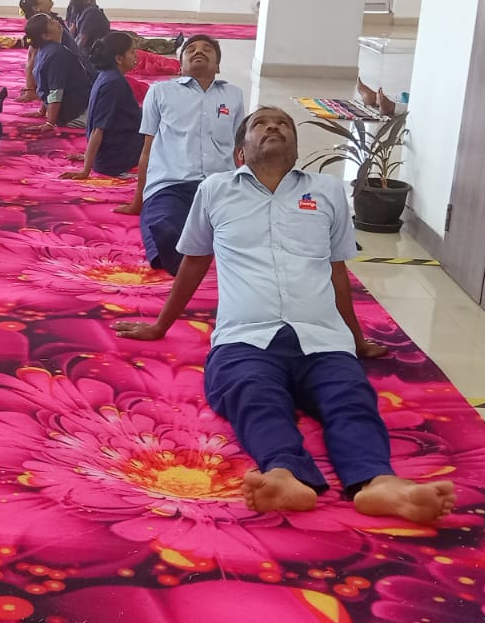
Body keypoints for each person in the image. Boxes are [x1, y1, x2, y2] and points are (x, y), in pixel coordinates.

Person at [111, 106, 457, 525]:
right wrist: (160, 325)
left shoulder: (327, 191)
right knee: (254, 396)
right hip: (245, 339)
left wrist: (356, 340)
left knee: (350, 398)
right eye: (260, 123)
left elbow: (336, 270)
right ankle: (284, 474)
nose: (273, 127)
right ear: (240, 152)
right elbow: (195, 261)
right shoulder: (215, 190)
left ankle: (379, 483)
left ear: (295, 150)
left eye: (283, 124)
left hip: (321, 337)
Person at [121, 35, 242, 264]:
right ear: (180, 65)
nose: (199, 51)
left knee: (242, 230)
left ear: (217, 66)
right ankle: (178, 254)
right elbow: (147, 149)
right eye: (191, 49)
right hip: (171, 184)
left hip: (219, 186)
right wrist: (139, 200)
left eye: (207, 49)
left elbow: (238, 150)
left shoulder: (234, 95)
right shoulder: (160, 92)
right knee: (162, 223)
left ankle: (197, 247)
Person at [63, 32, 143, 180]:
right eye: (132, 52)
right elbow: (98, 129)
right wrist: (86, 171)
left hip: (107, 157)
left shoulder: (106, 75)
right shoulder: (114, 83)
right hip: (115, 160)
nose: (136, 56)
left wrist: (88, 156)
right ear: (119, 59)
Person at [21, 14, 94, 132]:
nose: (56, 22)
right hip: (77, 113)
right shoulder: (57, 54)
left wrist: (42, 111)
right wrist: (50, 122)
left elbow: (44, 86)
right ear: (46, 36)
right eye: (51, 22)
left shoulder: (43, 51)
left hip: (69, 110)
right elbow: (55, 91)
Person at [68, 0, 183, 58]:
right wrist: (76, 56)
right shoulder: (91, 12)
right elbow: (82, 39)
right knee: (139, 42)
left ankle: (169, 44)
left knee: (134, 37)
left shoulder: (87, 11)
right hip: (105, 43)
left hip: (106, 38)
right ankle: (171, 45)